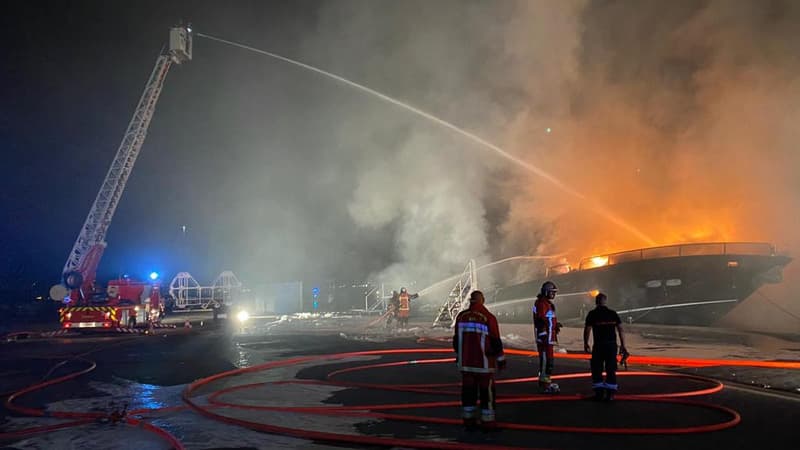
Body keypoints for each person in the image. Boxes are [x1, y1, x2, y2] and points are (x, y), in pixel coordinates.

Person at [453, 290, 506, 430]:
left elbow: (456, 340)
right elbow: (495, 340)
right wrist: (500, 359)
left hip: (466, 365)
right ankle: (488, 422)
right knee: (486, 393)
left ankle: (468, 420)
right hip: (484, 364)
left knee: (468, 393)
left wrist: (460, 355)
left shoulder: (461, 317)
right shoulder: (488, 317)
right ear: (482, 300)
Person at [583, 292, 627, 401]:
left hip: (599, 345)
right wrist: (623, 345)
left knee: (597, 369)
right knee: (611, 369)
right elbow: (621, 329)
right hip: (611, 345)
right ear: (605, 301)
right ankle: (610, 395)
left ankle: (599, 394)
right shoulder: (612, 313)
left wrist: (586, 343)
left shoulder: (592, 314)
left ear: (596, 302)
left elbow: (587, 330)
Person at [533, 281, 562, 393]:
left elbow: (548, 319)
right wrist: (544, 335)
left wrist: (555, 325)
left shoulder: (546, 304)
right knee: (546, 361)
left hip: (548, 337)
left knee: (547, 361)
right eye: (552, 292)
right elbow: (541, 320)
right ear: (546, 292)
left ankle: (544, 381)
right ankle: (545, 385)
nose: (553, 294)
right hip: (545, 339)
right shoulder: (541, 304)